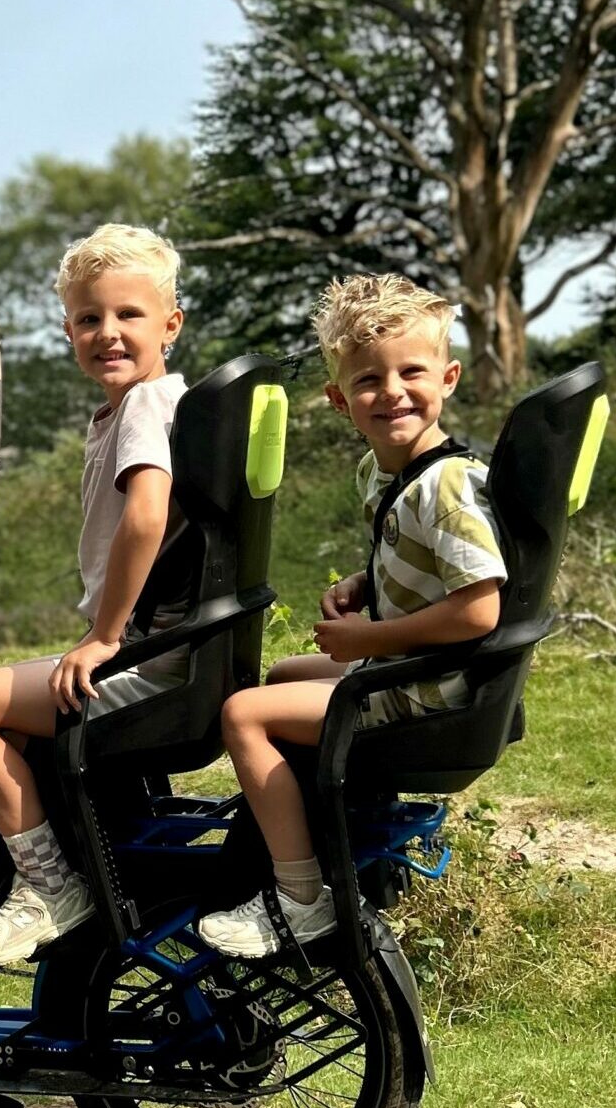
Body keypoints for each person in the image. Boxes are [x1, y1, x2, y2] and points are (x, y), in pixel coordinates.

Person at [197, 273, 507, 960]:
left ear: (449, 377)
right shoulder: (386, 472)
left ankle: (301, 896)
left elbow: (479, 607)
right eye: (368, 380)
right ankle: (333, 832)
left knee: (244, 714)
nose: (392, 391)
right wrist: (364, 584)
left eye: (412, 372)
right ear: (340, 399)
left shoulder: (449, 486)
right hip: (407, 668)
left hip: (423, 687)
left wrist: (370, 636)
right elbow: (428, 563)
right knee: (281, 675)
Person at [0, 224, 189, 969]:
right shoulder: (151, 403)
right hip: (173, 651)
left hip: (143, 656)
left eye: (128, 315)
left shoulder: (146, 406)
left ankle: (48, 883)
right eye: (88, 319)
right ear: (69, 330)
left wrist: (105, 634)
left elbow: (146, 515)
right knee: (11, 701)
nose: (107, 333)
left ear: (170, 323)